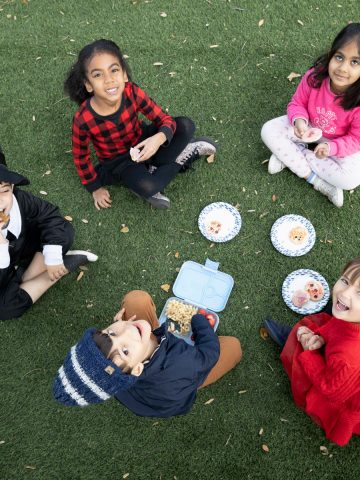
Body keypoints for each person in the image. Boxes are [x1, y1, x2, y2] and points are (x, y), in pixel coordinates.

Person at [64, 39, 217, 210]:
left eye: (114, 70)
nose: (108, 80)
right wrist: (95, 188)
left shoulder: (132, 92)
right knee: (149, 187)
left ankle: (153, 167)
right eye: (97, 75)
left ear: (124, 75)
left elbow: (165, 119)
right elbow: (81, 157)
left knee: (186, 126)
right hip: (119, 162)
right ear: (88, 85)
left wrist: (157, 139)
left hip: (143, 139)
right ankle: (181, 158)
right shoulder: (83, 119)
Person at [53, 290, 242, 417]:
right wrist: (199, 321)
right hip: (179, 386)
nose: (128, 331)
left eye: (111, 333)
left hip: (144, 393)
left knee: (136, 300)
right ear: (136, 370)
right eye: (125, 351)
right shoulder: (182, 364)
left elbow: (121, 341)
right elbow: (208, 354)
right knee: (233, 347)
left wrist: (121, 326)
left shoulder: (114, 378)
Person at [261, 23, 360, 208]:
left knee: (351, 179)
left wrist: (332, 148)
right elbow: (297, 103)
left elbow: (355, 140)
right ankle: (316, 181)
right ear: (331, 54)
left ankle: (290, 155)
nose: (343, 68)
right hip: (308, 129)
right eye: (339, 57)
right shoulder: (314, 78)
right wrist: (299, 121)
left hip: (337, 142)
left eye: (355, 62)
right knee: (268, 130)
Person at [263, 257, 360, 446]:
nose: (344, 293)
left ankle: (291, 345)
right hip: (339, 348)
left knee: (302, 361)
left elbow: (330, 390)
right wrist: (322, 337)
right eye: (345, 281)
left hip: (339, 388)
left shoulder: (349, 358)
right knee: (327, 323)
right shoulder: (353, 319)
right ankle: (297, 338)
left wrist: (311, 352)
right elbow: (337, 329)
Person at [0, 147, 98, 321]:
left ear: (12, 186)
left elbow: (49, 214)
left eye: (4, 191)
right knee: (5, 310)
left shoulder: (19, 199)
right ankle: (63, 267)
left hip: (23, 243)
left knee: (63, 232)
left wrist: (52, 256)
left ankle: (27, 276)